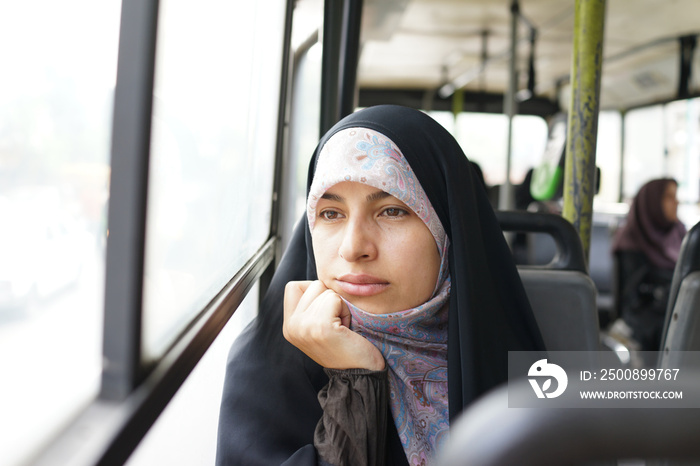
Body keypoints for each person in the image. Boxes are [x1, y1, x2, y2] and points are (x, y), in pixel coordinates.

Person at [216, 105, 545, 465]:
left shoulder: (524, 358)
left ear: (448, 229)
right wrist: (353, 385)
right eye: (331, 214)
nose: (353, 248)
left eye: (392, 211)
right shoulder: (263, 373)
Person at [612, 178, 687, 352]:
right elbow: (634, 299)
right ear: (652, 203)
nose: (676, 203)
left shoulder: (679, 233)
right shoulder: (632, 242)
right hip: (647, 318)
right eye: (669, 197)